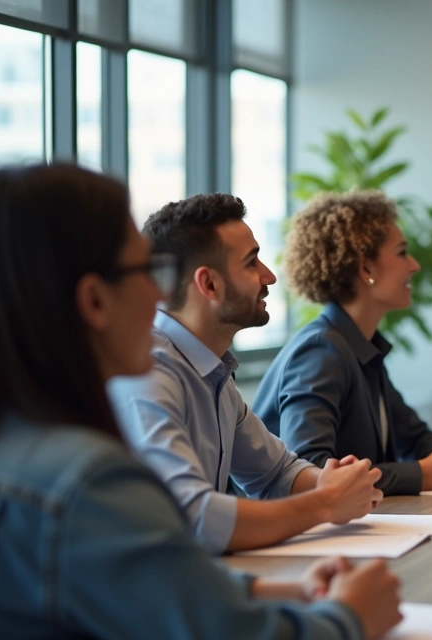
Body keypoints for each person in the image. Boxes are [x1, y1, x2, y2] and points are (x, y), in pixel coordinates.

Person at [0, 164, 402, 639]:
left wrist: (274, 591)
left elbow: (139, 585)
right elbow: (209, 590)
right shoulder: (87, 478)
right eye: (146, 272)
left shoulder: (6, 447)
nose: (160, 293)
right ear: (94, 301)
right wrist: (347, 618)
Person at [109, 193, 382, 554]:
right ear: (209, 284)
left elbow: (276, 474)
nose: (269, 276)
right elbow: (194, 518)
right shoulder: (149, 372)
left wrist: (332, 483)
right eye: (252, 262)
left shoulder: (211, 368)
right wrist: (325, 503)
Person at [253, 190, 432, 495]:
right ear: (366, 269)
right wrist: (421, 474)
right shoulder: (321, 350)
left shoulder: (361, 348)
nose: (414, 266)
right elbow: (309, 471)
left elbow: (414, 437)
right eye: (402, 253)